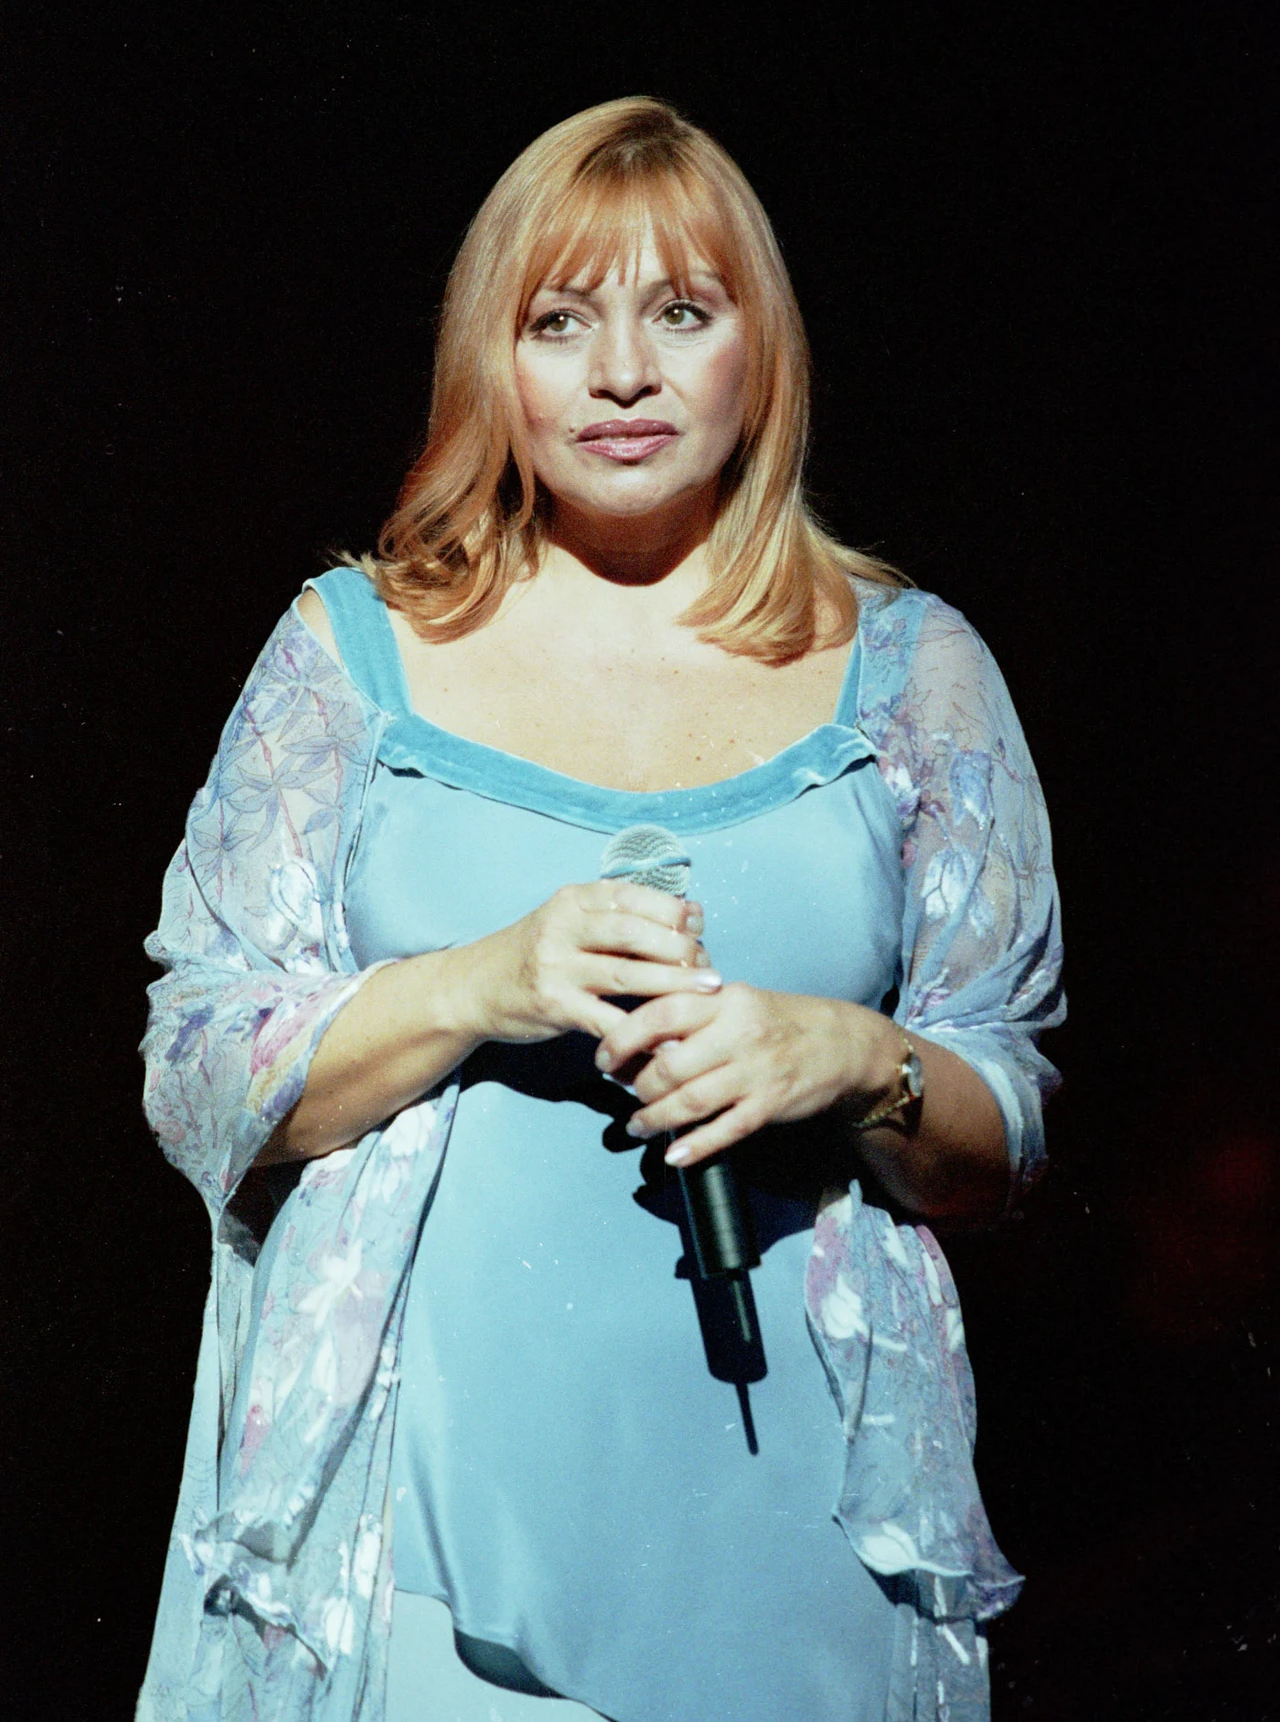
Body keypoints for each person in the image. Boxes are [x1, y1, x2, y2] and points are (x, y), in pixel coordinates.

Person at [137, 97, 1064, 1722]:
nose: (622, 373)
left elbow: (1005, 1127)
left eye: (680, 314)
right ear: (490, 363)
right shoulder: (350, 653)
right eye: (560, 321)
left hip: (797, 1531)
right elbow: (195, 1067)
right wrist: (481, 981)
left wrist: (852, 1058)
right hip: (426, 1517)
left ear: (760, 353)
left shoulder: (914, 673)